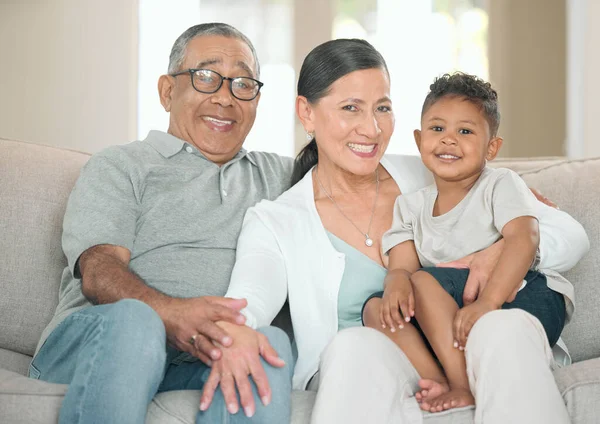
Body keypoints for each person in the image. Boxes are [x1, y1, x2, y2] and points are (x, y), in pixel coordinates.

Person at [218, 38, 589, 424]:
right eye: (350, 108)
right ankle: (447, 382)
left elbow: (569, 233)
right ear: (306, 113)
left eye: (383, 108)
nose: (371, 128)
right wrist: (228, 330)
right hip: (381, 361)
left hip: (481, 334)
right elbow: (247, 304)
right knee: (353, 345)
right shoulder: (277, 221)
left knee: (501, 327)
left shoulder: (439, 167)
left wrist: (495, 254)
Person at [29, 23, 294, 423]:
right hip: (104, 340)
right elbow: (99, 272)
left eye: (242, 83)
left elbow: (362, 170)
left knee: (269, 343)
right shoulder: (123, 165)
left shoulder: (280, 177)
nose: (225, 97)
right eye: (206, 77)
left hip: (201, 358)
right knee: (138, 320)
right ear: (168, 91)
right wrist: (169, 313)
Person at [363, 73, 573, 413]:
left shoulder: (500, 184)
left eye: (465, 131)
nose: (448, 140)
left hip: (524, 293)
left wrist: (488, 302)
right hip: (456, 307)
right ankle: (443, 378)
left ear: (492, 147)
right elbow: (402, 264)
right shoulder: (411, 205)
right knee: (377, 308)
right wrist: (396, 283)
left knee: (423, 281)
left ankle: (463, 385)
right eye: (437, 129)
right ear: (418, 140)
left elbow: (525, 238)